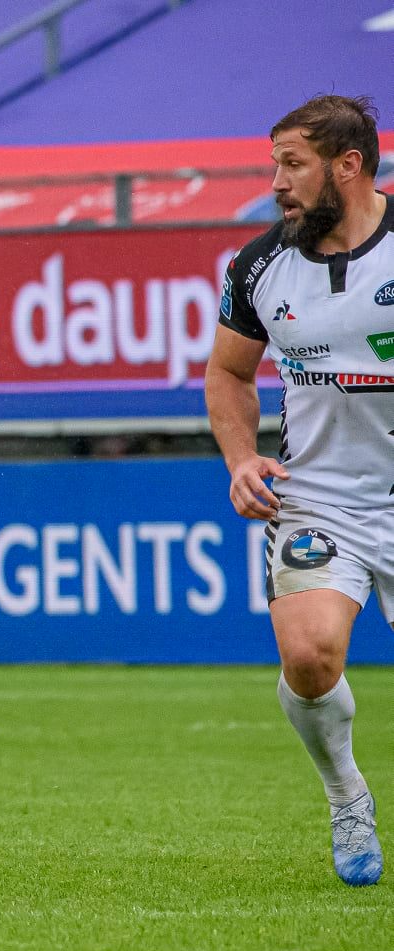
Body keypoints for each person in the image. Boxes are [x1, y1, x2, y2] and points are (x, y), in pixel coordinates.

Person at [206, 94, 391, 887]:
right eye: (274, 163)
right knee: (310, 657)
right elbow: (228, 371)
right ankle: (346, 791)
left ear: (347, 166)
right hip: (319, 495)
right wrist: (242, 458)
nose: (276, 182)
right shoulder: (259, 265)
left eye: (292, 164)